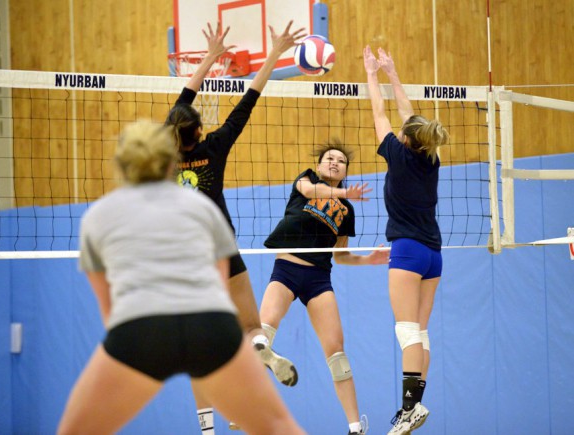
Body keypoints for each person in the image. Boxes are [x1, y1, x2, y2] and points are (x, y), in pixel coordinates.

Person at [57, 119, 304, 435]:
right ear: (171, 161)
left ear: (121, 164)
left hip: (140, 328)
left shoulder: (96, 218)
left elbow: (109, 309)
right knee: (278, 427)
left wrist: (136, 347)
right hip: (210, 324)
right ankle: (256, 343)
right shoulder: (203, 208)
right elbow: (220, 283)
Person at [165, 21, 305, 433]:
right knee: (251, 327)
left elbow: (182, 101)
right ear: (200, 131)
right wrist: (275, 53)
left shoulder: (162, 151)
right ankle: (261, 348)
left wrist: (208, 57)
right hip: (223, 245)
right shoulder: (216, 147)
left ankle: (207, 428)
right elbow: (248, 101)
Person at [259, 140, 390, 435]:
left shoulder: (346, 211)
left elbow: (341, 255)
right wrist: (343, 193)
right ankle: (247, 406)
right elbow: (309, 192)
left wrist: (369, 260)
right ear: (318, 165)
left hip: (318, 279)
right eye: (329, 158)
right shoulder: (306, 179)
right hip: (286, 269)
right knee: (261, 337)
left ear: (345, 171)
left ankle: (355, 428)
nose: (334, 162)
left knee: (337, 355)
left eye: (341, 161)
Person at [363, 45, 450, 435]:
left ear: (404, 138)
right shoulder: (431, 157)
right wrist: (393, 74)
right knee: (420, 332)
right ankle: (412, 408)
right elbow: (407, 115)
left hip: (408, 251)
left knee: (407, 331)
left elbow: (380, 112)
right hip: (433, 254)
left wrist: (372, 74)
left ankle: (410, 409)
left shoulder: (397, 155)